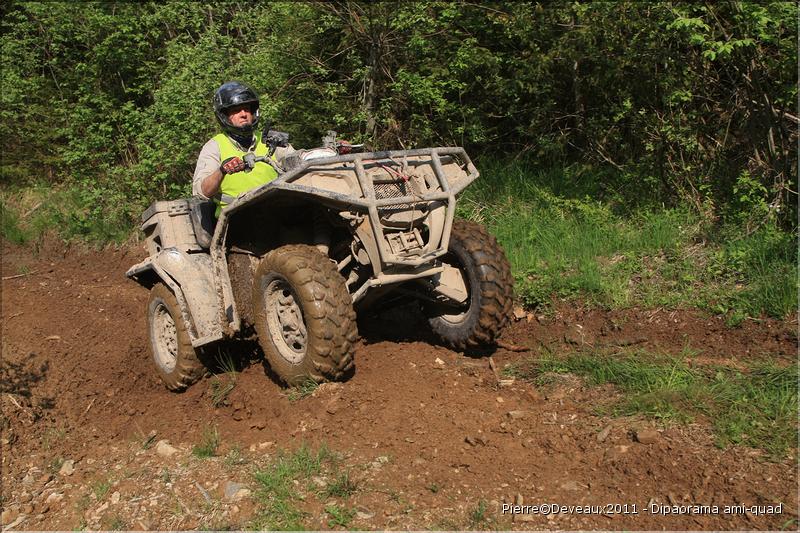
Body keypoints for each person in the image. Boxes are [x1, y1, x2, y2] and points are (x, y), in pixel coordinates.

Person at [192, 81, 292, 216]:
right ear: (224, 116)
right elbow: (203, 192)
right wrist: (222, 171)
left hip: (277, 211)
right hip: (235, 217)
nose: (243, 114)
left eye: (247, 109)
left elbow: (299, 163)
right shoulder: (214, 146)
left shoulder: (272, 139)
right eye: (236, 110)